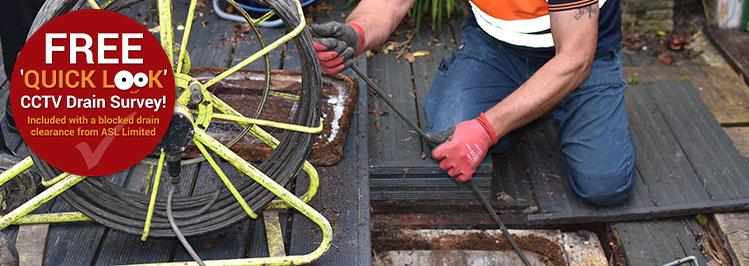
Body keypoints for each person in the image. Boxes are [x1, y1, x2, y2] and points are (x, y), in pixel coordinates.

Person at [311, 0, 636, 206]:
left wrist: (487, 127)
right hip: (496, 47)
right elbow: (390, 4)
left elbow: (575, 59)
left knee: (604, 186)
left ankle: (538, 102)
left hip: (579, 58)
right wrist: (357, 33)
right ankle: (531, 104)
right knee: (450, 136)